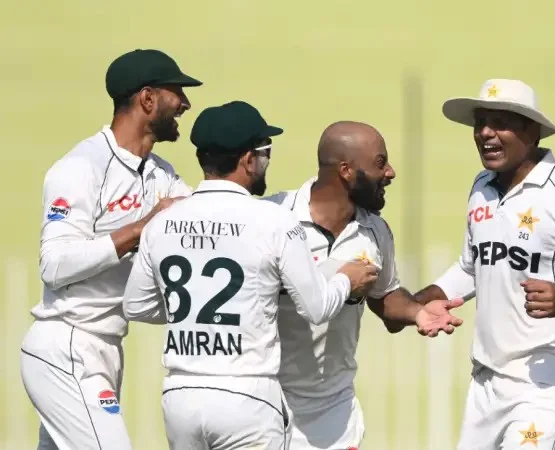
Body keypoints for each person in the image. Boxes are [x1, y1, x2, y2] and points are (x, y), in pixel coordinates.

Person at [121, 101, 381, 449]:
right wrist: (347, 279)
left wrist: (198, 313)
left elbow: (136, 306)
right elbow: (317, 307)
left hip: (181, 395)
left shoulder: (163, 222)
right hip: (247, 394)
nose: (266, 163)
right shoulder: (274, 220)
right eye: (265, 153)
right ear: (248, 159)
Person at [413, 78, 555, 450]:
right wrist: (416, 303)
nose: (485, 133)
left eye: (500, 123)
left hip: (547, 382)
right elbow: (471, 267)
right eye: (480, 123)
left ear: (532, 131)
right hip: (486, 384)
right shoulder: (482, 186)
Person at [19, 48, 202, 450]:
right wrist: (138, 230)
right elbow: (54, 265)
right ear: (148, 98)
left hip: (105, 350)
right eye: (177, 93)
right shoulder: (81, 166)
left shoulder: (161, 174)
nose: (186, 104)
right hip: (67, 344)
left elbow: (210, 214)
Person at [264, 120, 465, 450]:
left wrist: (417, 312)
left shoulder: (375, 232)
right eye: (380, 163)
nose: (391, 172)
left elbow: (385, 297)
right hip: (268, 406)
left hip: (334, 416)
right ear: (346, 170)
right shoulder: (273, 217)